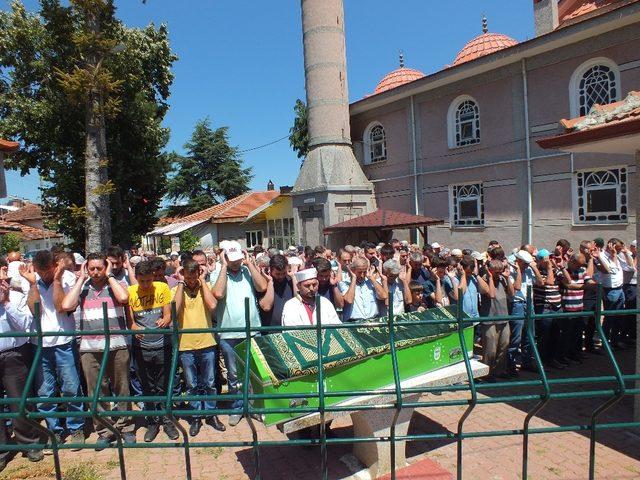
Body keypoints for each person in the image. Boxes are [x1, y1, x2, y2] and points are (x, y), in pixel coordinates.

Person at [59, 253, 135, 448]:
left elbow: (124, 298)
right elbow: (66, 305)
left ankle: (125, 427)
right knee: (96, 391)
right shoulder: (83, 288)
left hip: (117, 345)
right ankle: (104, 430)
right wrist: (81, 279)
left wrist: (110, 276)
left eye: (99, 268)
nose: (95, 272)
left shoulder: (116, 284)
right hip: (90, 348)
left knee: (122, 388)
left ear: (106, 267)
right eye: (91, 268)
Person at [23, 251, 84, 447]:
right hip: (40, 344)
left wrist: (56, 280)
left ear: (55, 265)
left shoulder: (67, 278)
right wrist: (33, 284)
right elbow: (35, 310)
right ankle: (53, 431)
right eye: (40, 272)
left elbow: (61, 307)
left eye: (47, 271)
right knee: (45, 392)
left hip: (64, 342)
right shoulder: (31, 280)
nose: (44, 275)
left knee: (71, 388)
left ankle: (76, 428)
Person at [212, 241, 267, 427]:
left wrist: (250, 263)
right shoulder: (217, 274)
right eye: (232, 260)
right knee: (234, 374)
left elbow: (262, 287)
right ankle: (237, 407)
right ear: (225, 257)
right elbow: (218, 293)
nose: (236, 263)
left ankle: (255, 407)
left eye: (238, 259)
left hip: (252, 330)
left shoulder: (247, 272)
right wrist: (223, 267)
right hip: (229, 333)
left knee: (254, 371)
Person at [127, 261, 180, 442]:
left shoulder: (162, 288)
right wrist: (134, 328)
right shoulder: (131, 292)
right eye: (142, 281)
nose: (146, 285)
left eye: (149, 280)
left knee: (164, 386)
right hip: (142, 348)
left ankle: (167, 420)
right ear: (137, 279)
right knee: (147, 388)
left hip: (162, 345)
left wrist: (165, 320)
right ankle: (152, 422)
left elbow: (167, 314)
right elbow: (131, 321)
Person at [173, 258, 225, 437]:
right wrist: (181, 282)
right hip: (186, 344)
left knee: (210, 382)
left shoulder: (205, 287)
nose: (191, 280)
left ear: (199, 273)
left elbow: (212, 305)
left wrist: (202, 282)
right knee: (191, 384)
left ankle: (211, 414)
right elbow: (175, 309)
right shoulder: (177, 288)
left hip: (207, 342)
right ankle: (195, 416)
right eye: (188, 276)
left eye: (194, 276)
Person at [1, 263, 43, 468]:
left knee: (19, 401)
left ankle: (29, 444)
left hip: (13, 354)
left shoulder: (16, 297)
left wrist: (6, 302)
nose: (2, 282)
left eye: (3, 278)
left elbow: (25, 326)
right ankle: (2, 448)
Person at [481, 259, 513, 380]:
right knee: (490, 349)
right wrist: (490, 278)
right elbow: (491, 294)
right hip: (489, 319)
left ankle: (500, 370)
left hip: (503, 317)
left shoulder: (503, 279)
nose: (499, 274)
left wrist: (508, 278)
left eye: (501, 271)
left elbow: (512, 293)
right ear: (490, 270)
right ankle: (486, 374)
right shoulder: (484, 280)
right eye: (496, 272)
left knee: (504, 345)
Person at [532, 249, 564, 369]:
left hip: (557, 307)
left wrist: (559, 266)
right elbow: (550, 282)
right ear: (540, 260)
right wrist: (550, 268)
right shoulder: (537, 272)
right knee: (543, 337)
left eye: (550, 258)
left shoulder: (554, 270)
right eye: (547, 259)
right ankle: (541, 362)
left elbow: (567, 280)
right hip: (544, 307)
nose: (549, 261)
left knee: (556, 335)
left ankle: (552, 359)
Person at [597, 239, 626, 349]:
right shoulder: (602, 256)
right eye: (617, 249)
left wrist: (619, 254)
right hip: (610, 290)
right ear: (611, 246)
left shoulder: (616, 255)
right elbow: (612, 270)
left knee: (618, 317)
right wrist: (613, 255)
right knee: (609, 318)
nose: (618, 251)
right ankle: (605, 343)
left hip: (620, 289)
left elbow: (627, 267)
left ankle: (615, 341)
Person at [258, 254, 294, 327]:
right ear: (270, 270)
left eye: (284, 273)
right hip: (270, 330)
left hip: (289, 328)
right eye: (277, 274)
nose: (281, 276)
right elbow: (266, 306)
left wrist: (293, 277)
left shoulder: (290, 280)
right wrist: (270, 282)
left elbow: (299, 299)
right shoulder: (263, 283)